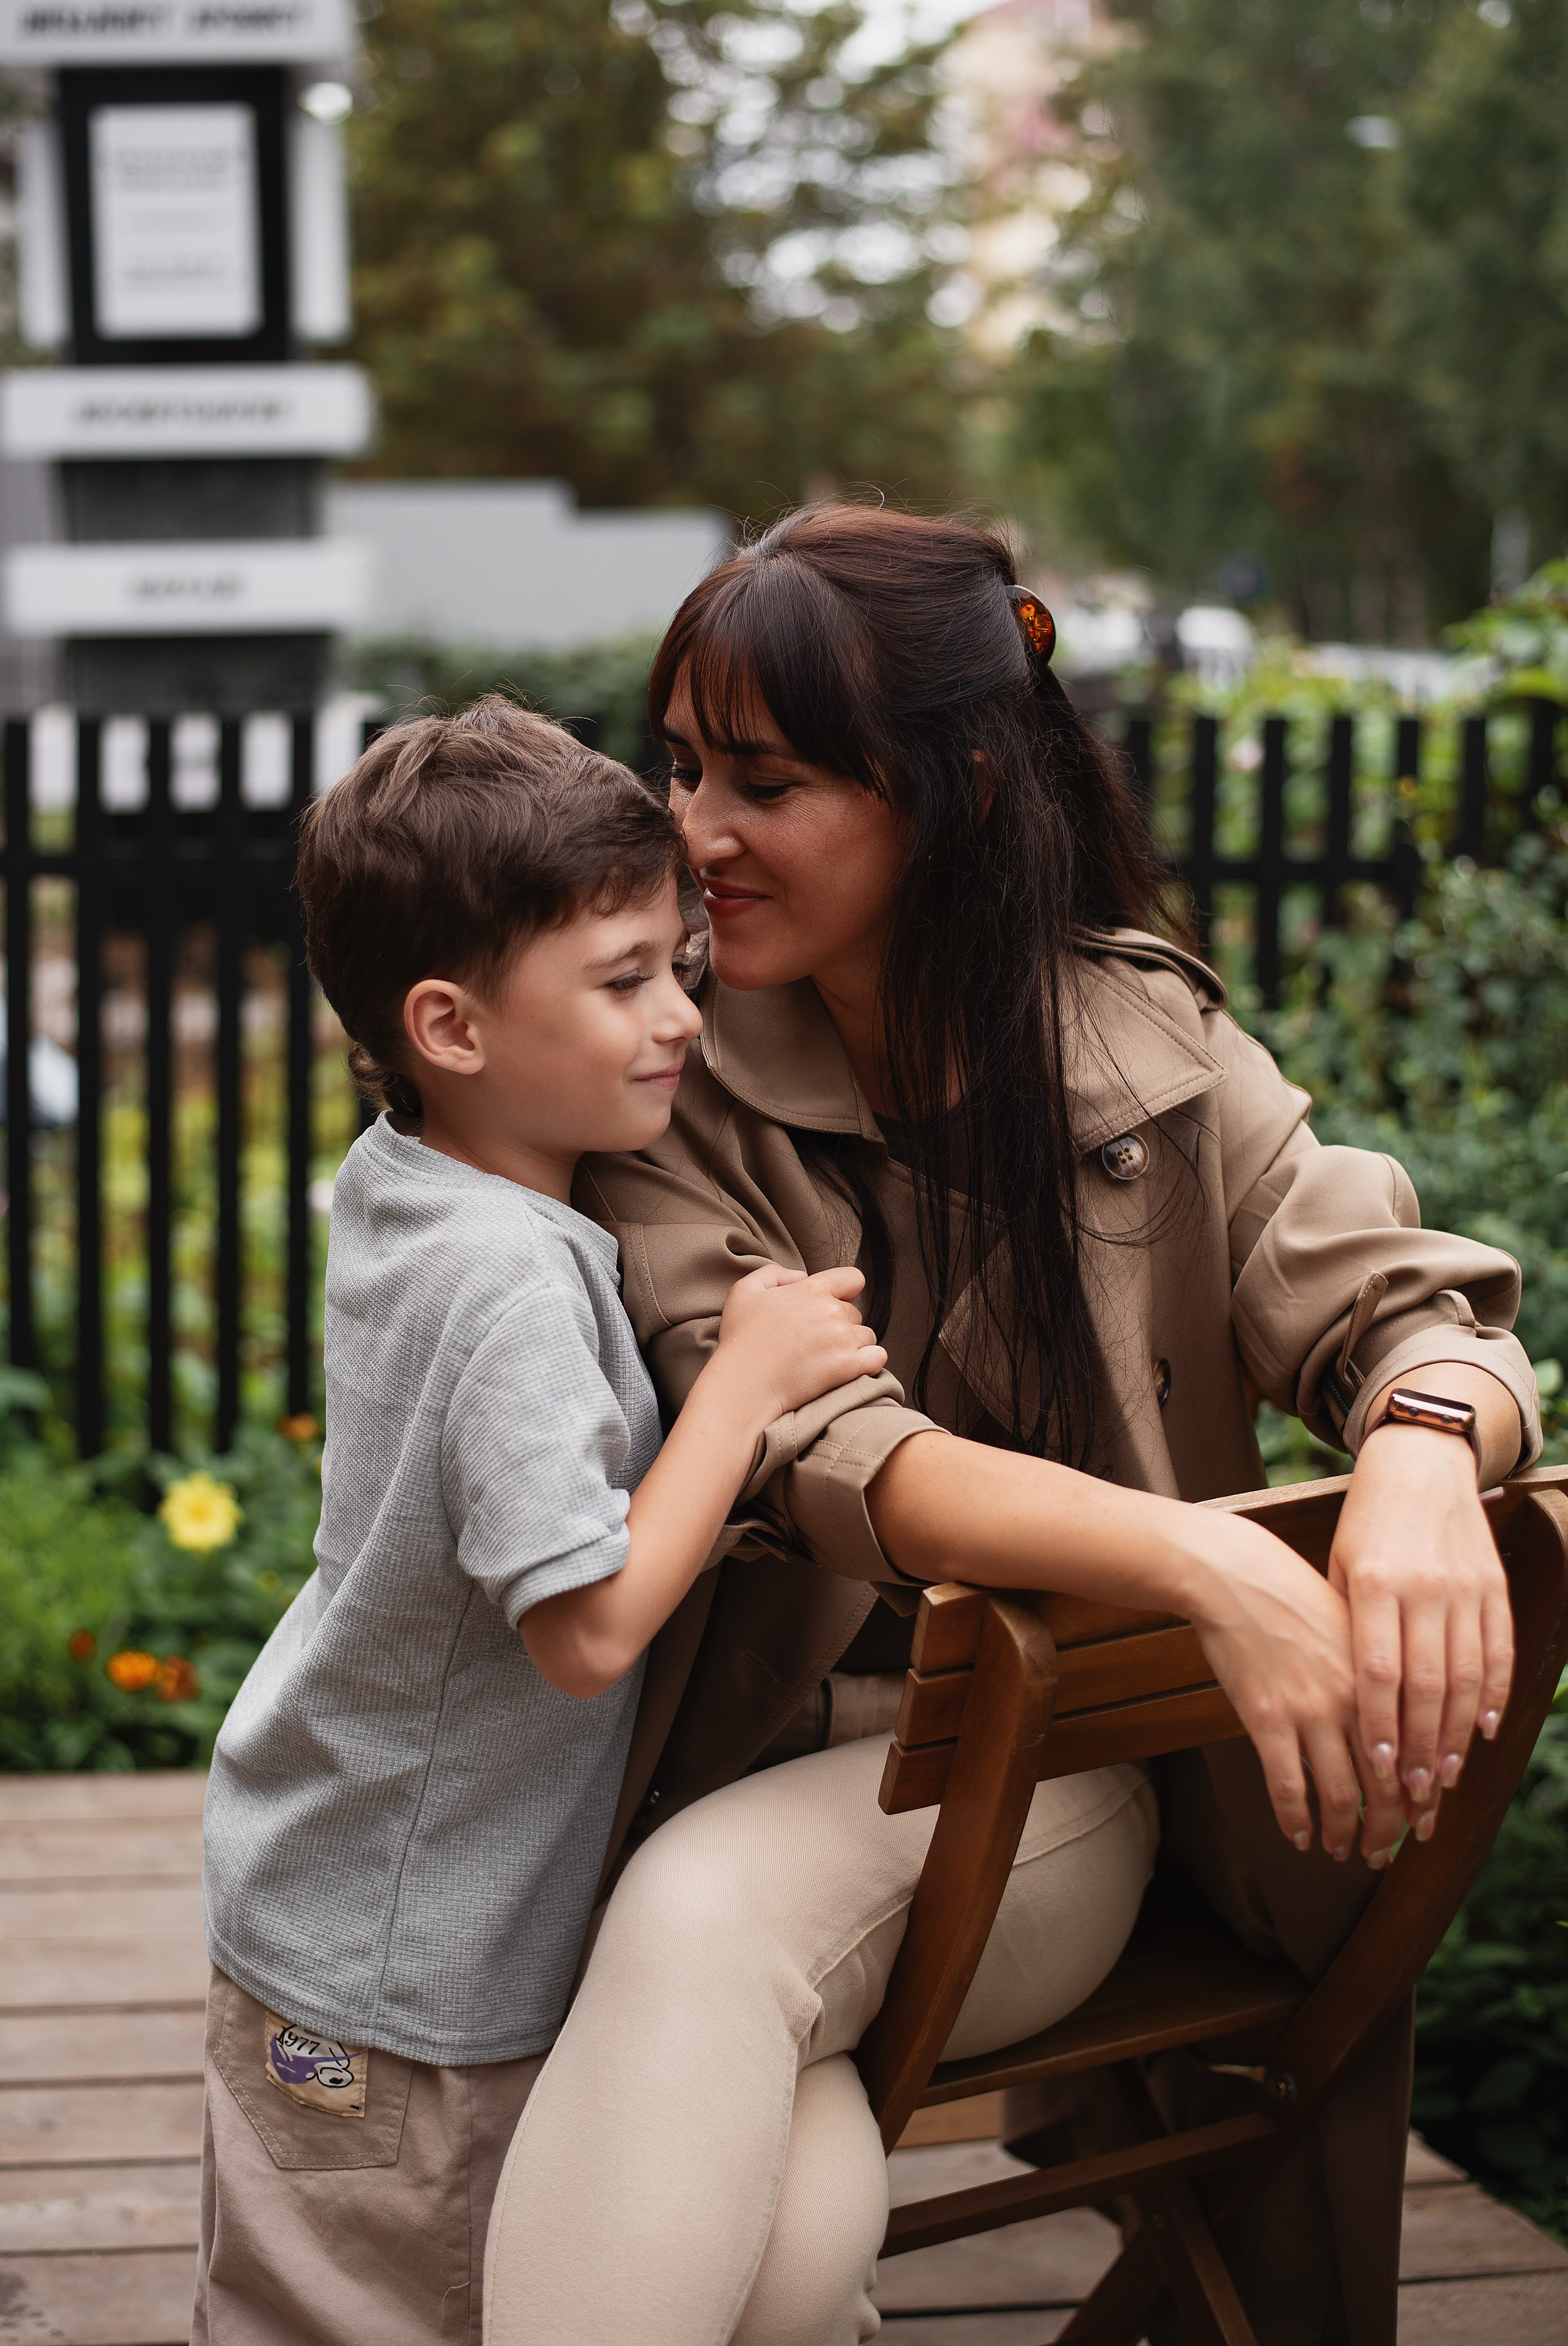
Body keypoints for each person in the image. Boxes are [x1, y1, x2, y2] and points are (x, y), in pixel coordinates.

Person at [481, 510, 1539, 2346]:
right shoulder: (663, 1086)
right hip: (723, 1766)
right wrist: (1206, 1559)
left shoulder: (1148, 1051)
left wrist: (1431, 1456)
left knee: (705, 1919)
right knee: (786, 2262)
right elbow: (832, 1451)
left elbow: (1398, 1303)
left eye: (765, 778)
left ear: (954, 785)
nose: (693, 832)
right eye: (678, 769)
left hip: (1035, 1801)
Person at [192, 700, 887, 2346]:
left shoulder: (423, 1181)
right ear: (449, 1025)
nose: (681, 1022)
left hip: (383, 1895)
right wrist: (743, 1388)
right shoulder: (503, 1281)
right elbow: (580, 1634)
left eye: (678, 967)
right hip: (391, 1961)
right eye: (624, 979)